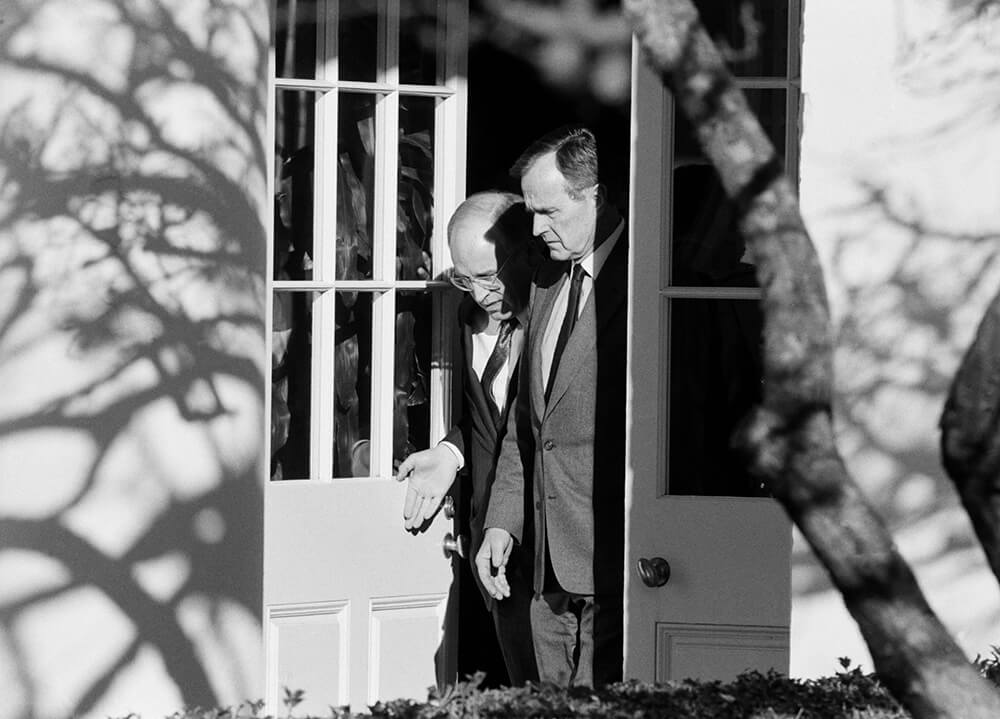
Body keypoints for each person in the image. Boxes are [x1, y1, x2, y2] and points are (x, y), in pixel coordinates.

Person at [475, 126, 628, 687]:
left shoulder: (648, 283)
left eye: (550, 212)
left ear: (596, 196)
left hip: (615, 573)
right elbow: (527, 424)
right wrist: (502, 522)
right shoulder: (545, 280)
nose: (537, 229)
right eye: (532, 212)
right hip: (545, 577)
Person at [395, 191, 540, 686]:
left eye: (489, 276)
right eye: (465, 278)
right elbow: (482, 420)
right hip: (490, 544)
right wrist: (450, 452)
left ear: (526, 253)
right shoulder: (456, 321)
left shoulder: (560, 321)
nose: (479, 293)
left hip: (552, 536)